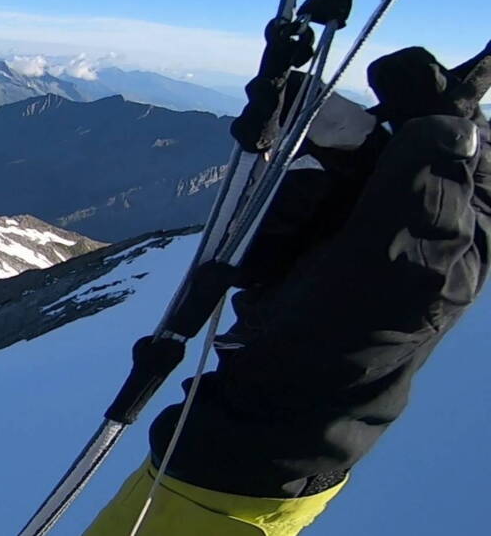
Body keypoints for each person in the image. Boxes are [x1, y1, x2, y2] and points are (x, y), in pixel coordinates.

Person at [86, 43, 491, 535]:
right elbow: (414, 285)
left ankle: (365, 175)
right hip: (233, 479)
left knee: (375, 294)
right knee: (385, 296)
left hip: (225, 475)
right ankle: (369, 174)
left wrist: (449, 147)